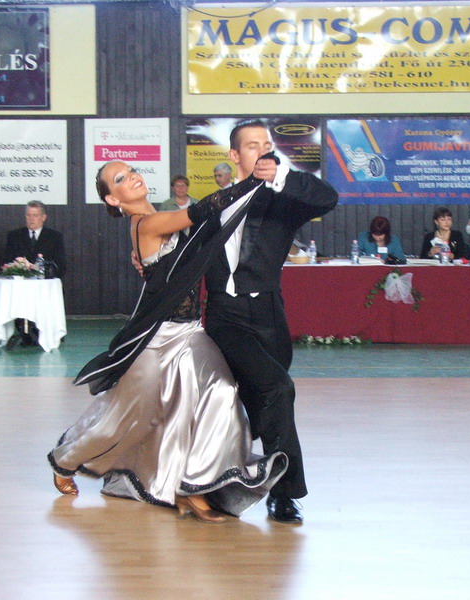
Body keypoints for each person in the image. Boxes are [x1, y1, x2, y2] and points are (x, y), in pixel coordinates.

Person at [49, 160, 288, 524]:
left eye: (131, 170)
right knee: (127, 417)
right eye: (120, 179)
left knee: (222, 392)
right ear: (113, 199)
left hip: (190, 332)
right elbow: (202, 211)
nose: (132, 176)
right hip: (155, 339)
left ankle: (191, 485)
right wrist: (251, 181)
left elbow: (193, 242)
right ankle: (64, 462)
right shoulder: (146, 224)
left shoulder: (158, 219)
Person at [203, 119, 338, 524]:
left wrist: (283, 177)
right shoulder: (212, 204)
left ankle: (223, 479)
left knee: (265, 401)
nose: (262, 150)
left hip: (268, 317)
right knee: (278, 389)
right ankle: (284, 493)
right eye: (252, 145)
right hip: (225, 317)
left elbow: (327, 198)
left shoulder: (283, 199)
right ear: (234, 155)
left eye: (266, 144)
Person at [4, 200, 66, 278]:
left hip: (44, 282)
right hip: (20, 282)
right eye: (28, 215)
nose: (31, 219)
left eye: (35, 215)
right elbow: (7, 263)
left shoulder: (54, 237)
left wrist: (38, 268)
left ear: (43, 217)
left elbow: (60, 265)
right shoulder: (14, 236)